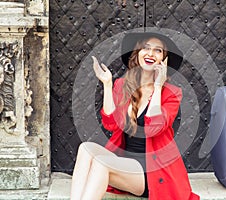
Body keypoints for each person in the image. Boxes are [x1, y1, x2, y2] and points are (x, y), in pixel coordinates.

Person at [70, 32, 200, 200]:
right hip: (124, 163)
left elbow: (154, 128)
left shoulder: (171, 94)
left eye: (158, 50)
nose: (151, 53)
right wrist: (107, 84)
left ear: (164, 59)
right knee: (86, 149)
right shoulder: (122, 85)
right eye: (145, 48)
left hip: (152, 172)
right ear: (137, 53)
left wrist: (158, 86)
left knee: (101, 164)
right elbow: (111, 124)